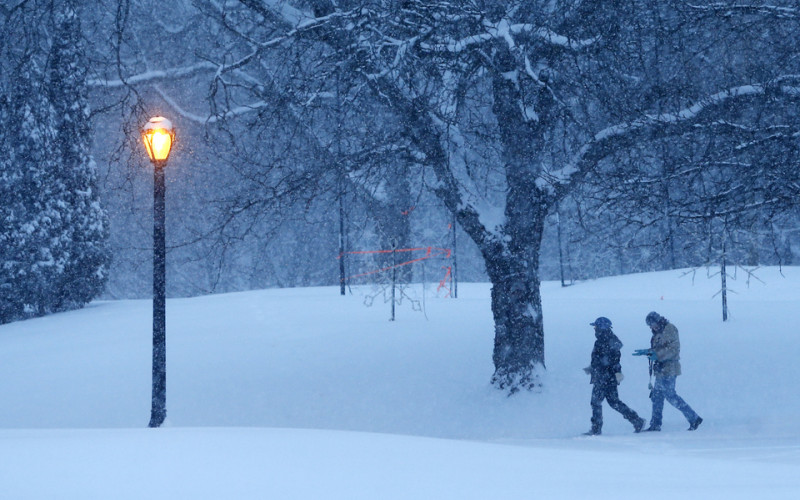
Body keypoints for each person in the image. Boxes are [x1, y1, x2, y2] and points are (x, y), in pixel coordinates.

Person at [638, 311, 703, 432]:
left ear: (657, 321)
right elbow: (659, 348)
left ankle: (694, 418)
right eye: (649, 326)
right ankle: (655, 424)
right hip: (661, 369)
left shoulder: (669, 329)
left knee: (670, 395)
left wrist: (656, 355)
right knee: (657, 396)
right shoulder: (658, 331)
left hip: (670, 368)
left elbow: (673, 349)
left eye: (651, 324)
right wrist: (648, 352)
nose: (651, 327)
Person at [583, 317, 645, 435]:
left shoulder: (606, 341)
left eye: (596, 327)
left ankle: (596, 429)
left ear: (601, 328)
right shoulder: (606, 340)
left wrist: (602, 370)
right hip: (606, 377)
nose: (594, 329)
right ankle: (637, 420)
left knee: (597, 402)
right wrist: (592, 368)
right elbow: (604, 360)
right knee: (613, 402)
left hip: (604, 378)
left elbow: (611, 361)